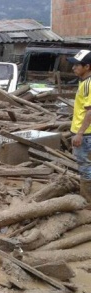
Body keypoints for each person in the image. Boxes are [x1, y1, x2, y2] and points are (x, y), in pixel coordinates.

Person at [68, 50, 91, 202]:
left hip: (86, 135)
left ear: (87, 66)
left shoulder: (89, 84)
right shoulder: (83, 82)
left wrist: (80, 133)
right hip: (85, 133)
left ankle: (88, 202)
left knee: (85, 168)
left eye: (77, 65)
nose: (73, 68)